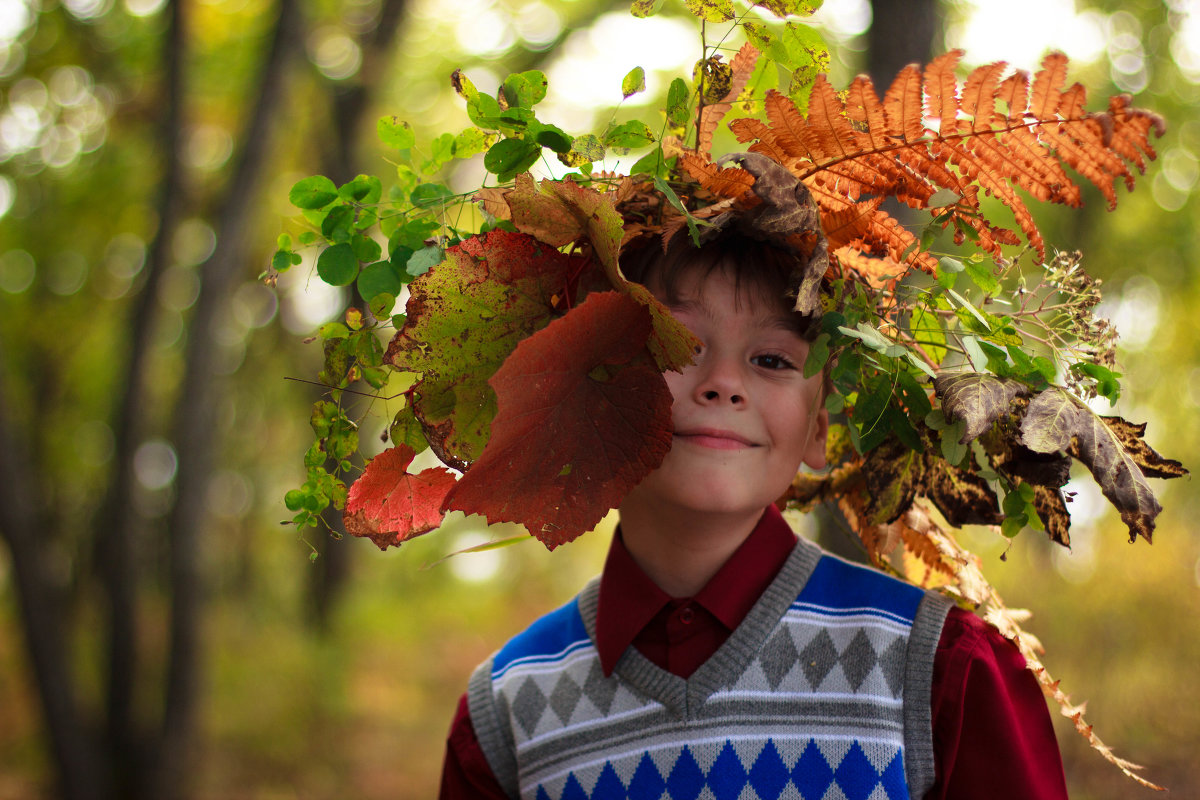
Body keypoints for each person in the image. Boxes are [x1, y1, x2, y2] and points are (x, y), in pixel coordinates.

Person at [438, 225, 1069, 799]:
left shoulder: (936, 673)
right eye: (676, 345)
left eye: (771, 360)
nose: (722, 382)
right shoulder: (505, 717)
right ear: (588, 395)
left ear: (819, 430)